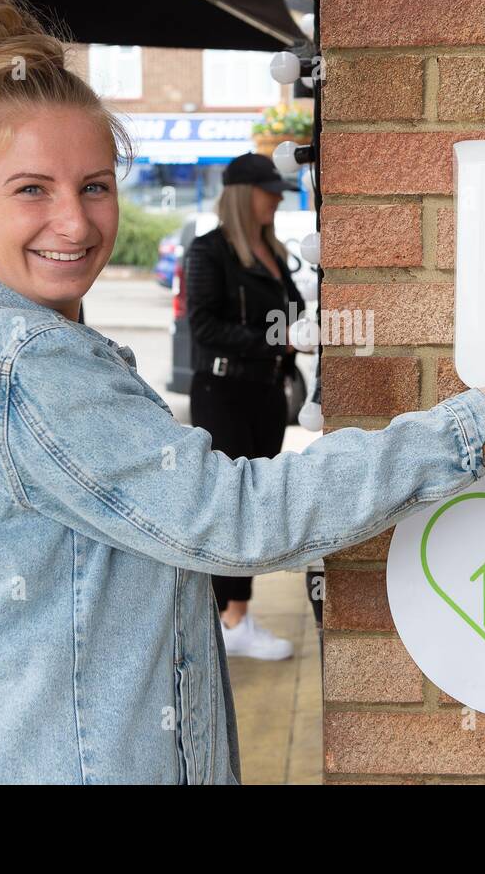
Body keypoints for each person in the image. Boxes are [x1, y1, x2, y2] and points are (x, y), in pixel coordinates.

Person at [0, 0, 485, 784]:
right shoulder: (26, 364)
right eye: (32, 189)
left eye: (95, 186)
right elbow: (234, 517)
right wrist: (466, 434)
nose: (76, 221)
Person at [184, 152, 307, 660]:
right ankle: (231, 617)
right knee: (231, 506)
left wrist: (295, 332)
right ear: (243, 195)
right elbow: (204, 326)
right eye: (269, 190)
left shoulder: (271, 250)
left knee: (254, 505)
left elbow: (290, 310)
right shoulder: (210, 251)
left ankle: (234, 614)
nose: (278, 197)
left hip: (265, 393)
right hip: (223, 393)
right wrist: (277, 342)